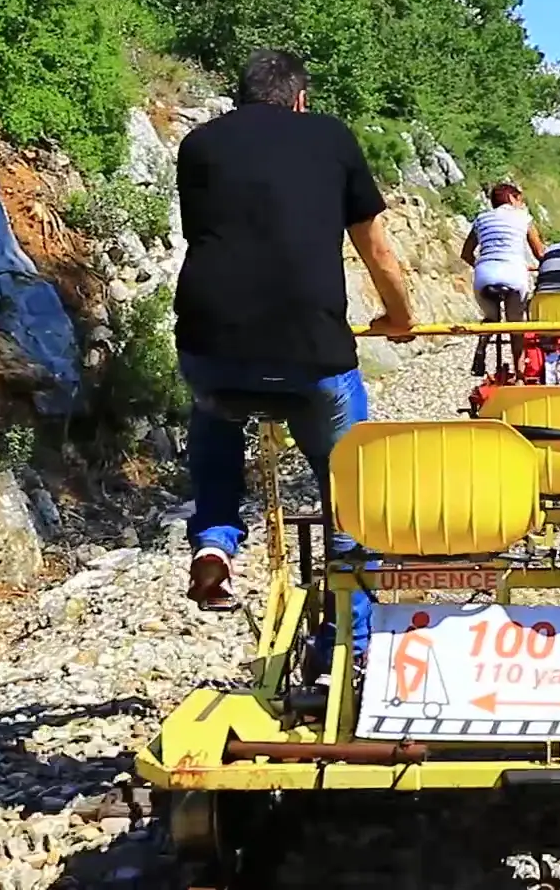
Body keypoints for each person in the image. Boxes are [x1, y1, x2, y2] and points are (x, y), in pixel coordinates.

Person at [172, 47, 414, 665]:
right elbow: (376, 249)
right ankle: (348, 647)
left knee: (216, 415)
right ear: (301, 98)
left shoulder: (199, 146)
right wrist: (399, 317)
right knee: (351, 488)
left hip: (213, 337)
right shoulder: (330, 138)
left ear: (242, 97)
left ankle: (216, 541)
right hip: (312, 348)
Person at [461, 182, 546, 376]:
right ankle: (520, 374)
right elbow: (540, 252)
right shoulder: (523, 218)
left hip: (484, 275)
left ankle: (481, 348)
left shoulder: (482, 218)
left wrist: (481, 266)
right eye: (519, 199)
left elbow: (465, 253)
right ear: (511, 198)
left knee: (492, 318)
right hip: (514, 273)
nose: (521, 204)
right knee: (515, 325)